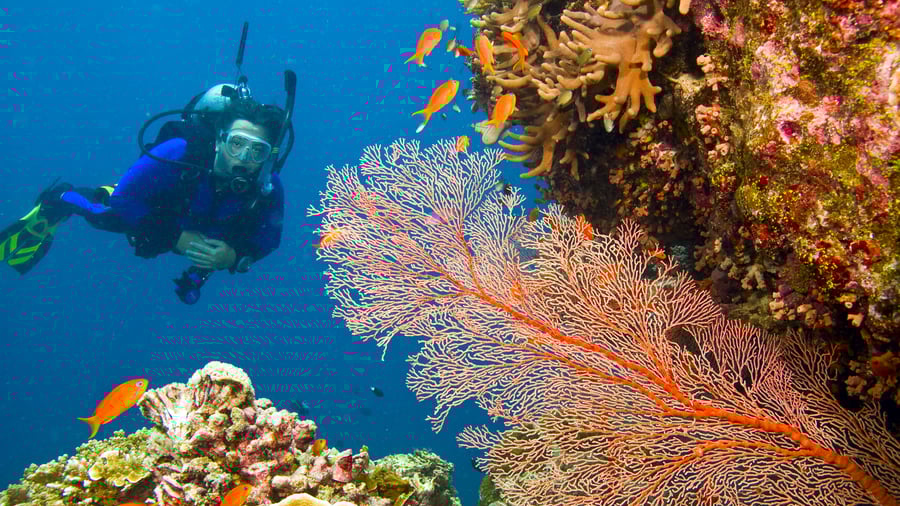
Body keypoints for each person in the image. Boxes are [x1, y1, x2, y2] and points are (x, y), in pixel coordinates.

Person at [0, 84, 293, 303]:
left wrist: (233, 257)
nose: (244, 158)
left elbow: (269, 239)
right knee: (105, 214)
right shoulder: (180, 151)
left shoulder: (268, 185)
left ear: (269, 156)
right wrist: (175, 237)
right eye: (237, 143)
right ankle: (59, 199)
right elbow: (124, 199)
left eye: (258, 151)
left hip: (206, 228)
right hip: (155, 212)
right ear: (220, 139)